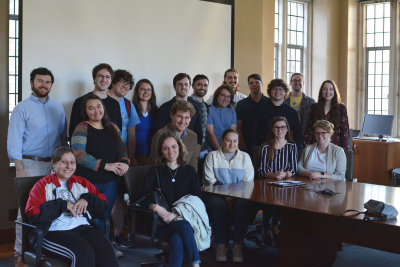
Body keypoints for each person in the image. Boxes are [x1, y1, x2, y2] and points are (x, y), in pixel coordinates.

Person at [7, 67, 68, 267]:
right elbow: (13, 141)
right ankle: (19, 254)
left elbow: (62, 139)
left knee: (51, 208)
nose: (44, 85)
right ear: (31, 83)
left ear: (51, 85)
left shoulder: (58, 108)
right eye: (39, 81)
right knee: (24, 211)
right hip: (29, 165)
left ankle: (45, 250)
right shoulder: (21, 108)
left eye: (47, 82)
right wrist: (19, 169)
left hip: (52, 166)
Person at [25, 147, 118, 267]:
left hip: (82, 227)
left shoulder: (82, 183)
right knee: (83, 252)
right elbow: (33, 214)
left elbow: (103, 205)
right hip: (53, 231)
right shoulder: (42, 185)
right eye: (64, 162)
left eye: (72, 162)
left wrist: (87, 199)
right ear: (53, 163)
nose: (69, 166)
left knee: (106, 249)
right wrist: (62, 205)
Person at [136, 132, 203, 267]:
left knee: (177, 238)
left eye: (173, 147)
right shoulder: (155, 171)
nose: (170, 151)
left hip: (182, 219)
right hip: (159, 223)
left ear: (179, 147)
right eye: (166, 148)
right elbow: (139, 198)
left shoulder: (189, 171)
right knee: (184, 227)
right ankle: (196, 265)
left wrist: (177, 215)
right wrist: (156, 207)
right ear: (161, 151)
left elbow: (197, 201)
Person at [71, 94, 130, 237]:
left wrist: (124, 163)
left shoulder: (113, 126)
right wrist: (106, 165)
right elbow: (78, 154)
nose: (96, 111)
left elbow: (123, 149)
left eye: (99, 106)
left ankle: (104, 248)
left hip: (110, 182)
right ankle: (93, 248)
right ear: (86, 112)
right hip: (89, 182)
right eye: (91, 108)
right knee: (91, 217)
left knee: (104, 217)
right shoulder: (82, 127)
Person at [203, 129, 254, 262]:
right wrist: (226, 196)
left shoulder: (245, 157)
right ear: (222, 141)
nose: (232, 144)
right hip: (215, 194)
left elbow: (248, 182)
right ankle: (221, 245)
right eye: (228, 140)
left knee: (243, 204)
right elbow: (210, 181)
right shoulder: (212, 156)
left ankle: (238, 245)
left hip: (239, 195)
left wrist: (232, 196)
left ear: (238, 142)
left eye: (235, 141)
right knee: (217, 205)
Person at [107, 70, 140, 249]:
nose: (125, 86)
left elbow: (132, 133)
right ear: (112, 82)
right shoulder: (102, 102)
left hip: (124, 158)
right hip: (107, 158)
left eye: (128, 84)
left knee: (120, 196)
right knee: (107, 195)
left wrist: (130, 158)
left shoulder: (128, 105)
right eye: (122, 82)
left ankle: (118, 233)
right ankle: (104, 234)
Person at [258, 117, 297, 246]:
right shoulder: (265, 147)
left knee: (284, 198)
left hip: (286, 185)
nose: (280, 130)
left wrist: (285, 174)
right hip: (269, 184)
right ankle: (266, 226)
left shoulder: (292, 146)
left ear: (287, 130)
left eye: (282, 127)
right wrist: (275, 175)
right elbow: (263, 171)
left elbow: (294, 169)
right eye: (276, 127)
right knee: (271, 197)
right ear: (272, 129)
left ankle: (274, 224)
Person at [153, 73, 203, 155]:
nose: (183, 87)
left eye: (186, 84)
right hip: (169, 154)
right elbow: (157, 133)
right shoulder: (165, 108)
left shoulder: (196, 108)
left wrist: (196, 154)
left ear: (189, 87)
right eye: (180, 84)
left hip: (190, 154)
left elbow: (199, 133)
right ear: (174, 87)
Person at [69, 63, 122, 139]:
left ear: (111, 80)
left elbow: (118, 132)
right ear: (94, 78)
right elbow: (73, 133)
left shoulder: (115, 104)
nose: (104, 79)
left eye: (107, 77)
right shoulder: (80, 102)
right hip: (86, 150)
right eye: (100, 76)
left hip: (111, 149)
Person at [252, 79, 303, 154]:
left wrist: (295, 148)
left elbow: (298, 133)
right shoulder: (259, 109)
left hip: (286, 152)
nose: (277, 91)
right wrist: (255, 148)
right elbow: (252, 131)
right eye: (274, 89)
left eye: (281, 89)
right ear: (270, 91)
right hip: (263, 150)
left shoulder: (292, 112)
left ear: (285, 92)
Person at [146, 101, 198, 171]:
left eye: (186, 118)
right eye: (180, 116)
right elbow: (155, 164)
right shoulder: (160, 135)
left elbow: (193, 165)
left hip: (184, 178)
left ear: (190, 119)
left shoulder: (193, 136)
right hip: (164, 177)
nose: (183, 121)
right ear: (172, 116)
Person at [303, 80, 350, 150]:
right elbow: (309, 129)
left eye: (331, 89)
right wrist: (306, 147)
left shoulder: (341, 108)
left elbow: (344, 132)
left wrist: (344, 151)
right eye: (325, 89)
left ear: (334, 92)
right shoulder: (314, 107)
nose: (328, 92)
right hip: (316, 147)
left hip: (335, 147)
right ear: (321, 91)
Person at [235, 74, 270, 153]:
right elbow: (238, 127)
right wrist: (243, 147)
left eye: (257, 82)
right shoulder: (242, 104)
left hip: (268, 146)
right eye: (251, 83)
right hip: (247, 146)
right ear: (249, 85)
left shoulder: (269, 103)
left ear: (262, 84)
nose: (254, 85)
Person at [132, 79, 159, 166]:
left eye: (149, 89)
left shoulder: (156, 111)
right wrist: (131, 157)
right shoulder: (131, 110)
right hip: (135, 155)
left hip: (153, 155)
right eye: (143, 89)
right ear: (137, 91)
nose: (146, 92)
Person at [191, 74, 211, 183]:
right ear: (193, 86)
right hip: (192, 150)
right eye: (199, 84)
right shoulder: (189, 103)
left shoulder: (206, 105)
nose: (202, 87)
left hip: (204, 151)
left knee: (201, 182)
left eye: (205, 85)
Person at [206, 85, 237, 151]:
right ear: (217, 96)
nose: (225, 99)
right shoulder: (209, 109)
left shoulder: (232, 112)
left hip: (228, 148)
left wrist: (228, 150)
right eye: (223, 95)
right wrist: (220, 151)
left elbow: (232, 132)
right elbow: (210, 133)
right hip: (212, 149)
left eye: (228, 97)